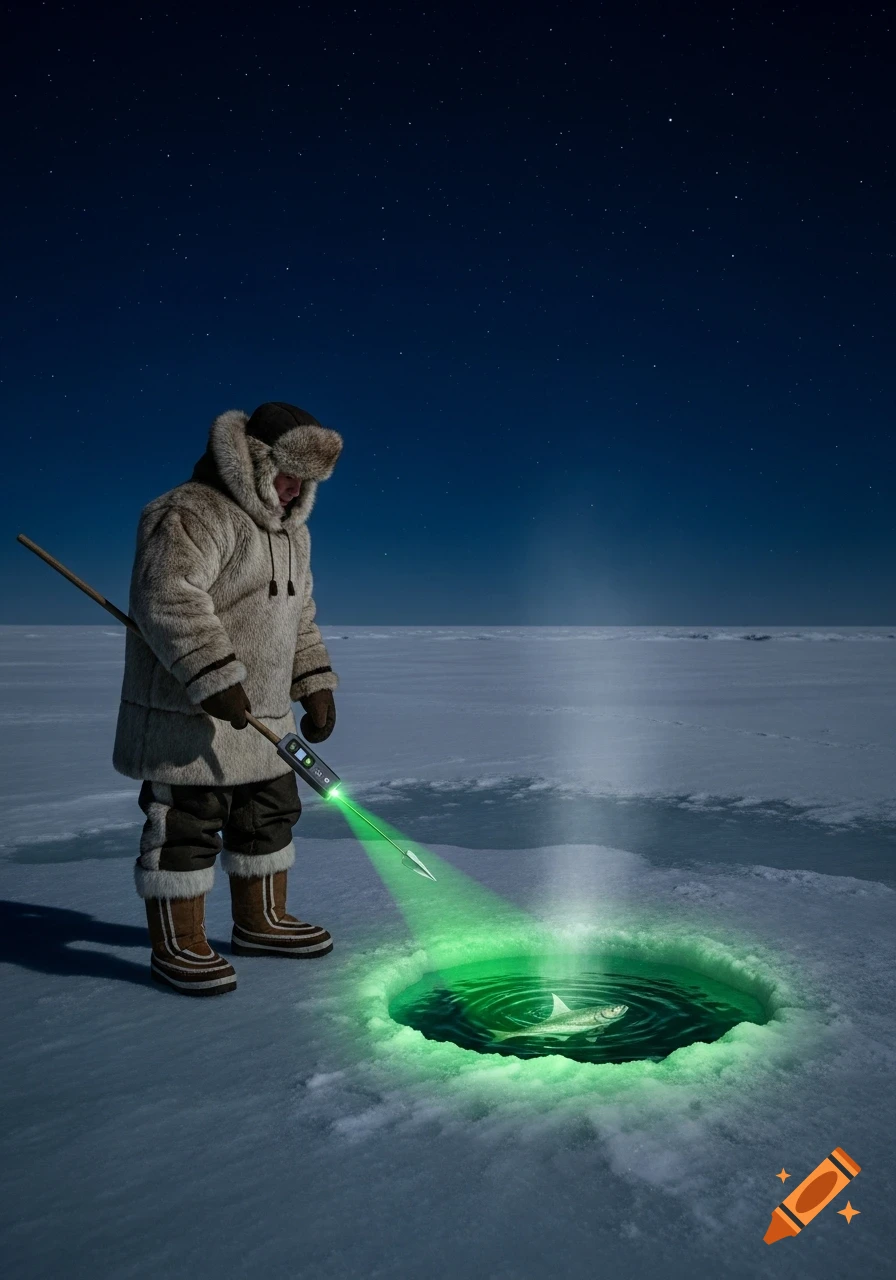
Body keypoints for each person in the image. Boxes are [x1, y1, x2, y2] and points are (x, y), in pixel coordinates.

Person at [112, 402, 343, 996]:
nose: (294, 491)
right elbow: (168, 599)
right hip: (191, 718)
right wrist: (213, 674)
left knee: (266, 817)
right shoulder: (190, 512)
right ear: (256, 461)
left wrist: (313, 683)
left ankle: (260, 922)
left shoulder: (295, 537)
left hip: (264, 718)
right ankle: (179, 942)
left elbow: (300, 618)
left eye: (306, 483)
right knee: (187, 825)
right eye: (288, 474)